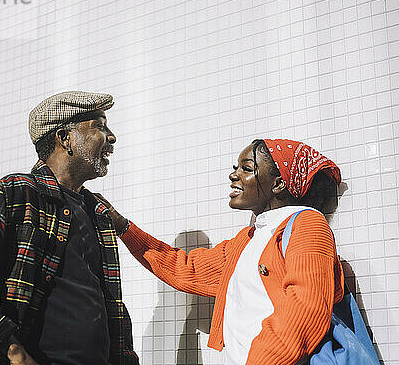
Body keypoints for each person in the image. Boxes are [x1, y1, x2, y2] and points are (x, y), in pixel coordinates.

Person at [0, 91, 139, 365]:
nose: (111, 137)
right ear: (65, 139)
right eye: (99, 126)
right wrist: (12, 351)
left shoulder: (98, 212)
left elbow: (109, 304)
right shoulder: (17, 192)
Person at [100, 138, 345, 364]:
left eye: (246, 169)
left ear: (279, 183)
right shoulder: (248, 239)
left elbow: (305, 314)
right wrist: (123, 227)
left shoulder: (308, 225)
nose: (233, 175)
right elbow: (186, 268)